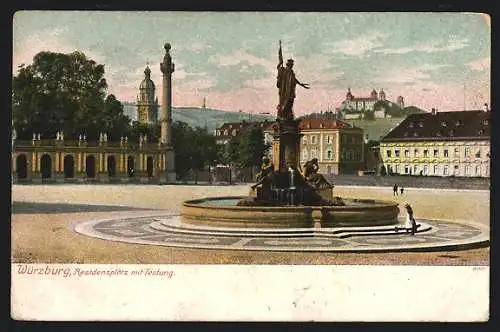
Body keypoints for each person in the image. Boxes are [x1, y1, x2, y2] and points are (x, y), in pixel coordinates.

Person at [276, 40, 310, 120]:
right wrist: (280, 62)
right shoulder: (283, 70)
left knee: (290, 102)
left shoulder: (291, 71)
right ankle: (283, 115)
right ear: (288, 65)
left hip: (290, 91)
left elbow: (294, 80)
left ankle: (287, 115)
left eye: (292, 65)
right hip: (285, 91)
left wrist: (301, 84)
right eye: (291, 65)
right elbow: (279, 70)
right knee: (285, 102)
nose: (292, 66)